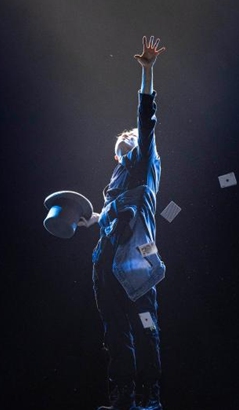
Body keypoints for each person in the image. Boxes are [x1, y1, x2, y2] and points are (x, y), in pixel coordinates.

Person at [78, 36, 167, 410]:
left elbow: (146, 121)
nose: (121, 154)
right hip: (107, 261)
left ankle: (150, 396)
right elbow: (116, 213)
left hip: (137, 263)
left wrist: (147, 73)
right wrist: (93, 219)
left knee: (146, 330)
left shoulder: (145, 163)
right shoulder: (117, 181)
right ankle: (124, 397)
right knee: (116, 333)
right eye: (118, 152)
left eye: (126, 146)